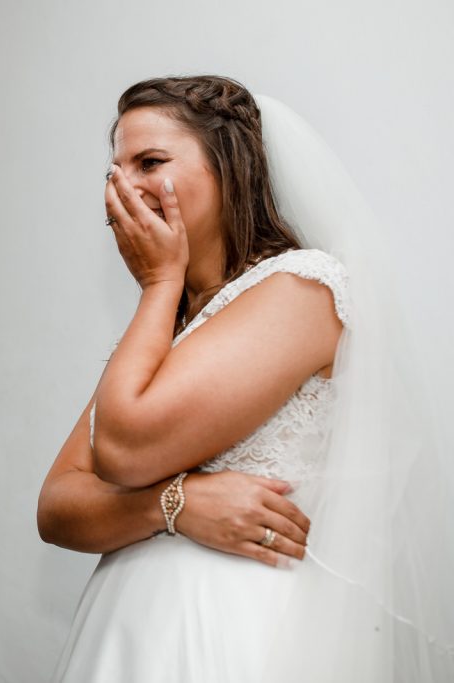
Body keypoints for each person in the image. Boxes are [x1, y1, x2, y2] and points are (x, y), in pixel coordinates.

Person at [39, 76, 454, 681]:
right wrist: (175, 504)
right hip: (132, 628)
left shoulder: (303, 288)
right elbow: (58, 506)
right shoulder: (171, 325)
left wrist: (158, 284)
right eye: (114, 171)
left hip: (235, 631)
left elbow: (125, 450)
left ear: (229, 170)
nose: (121, 189)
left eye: (149, 162)